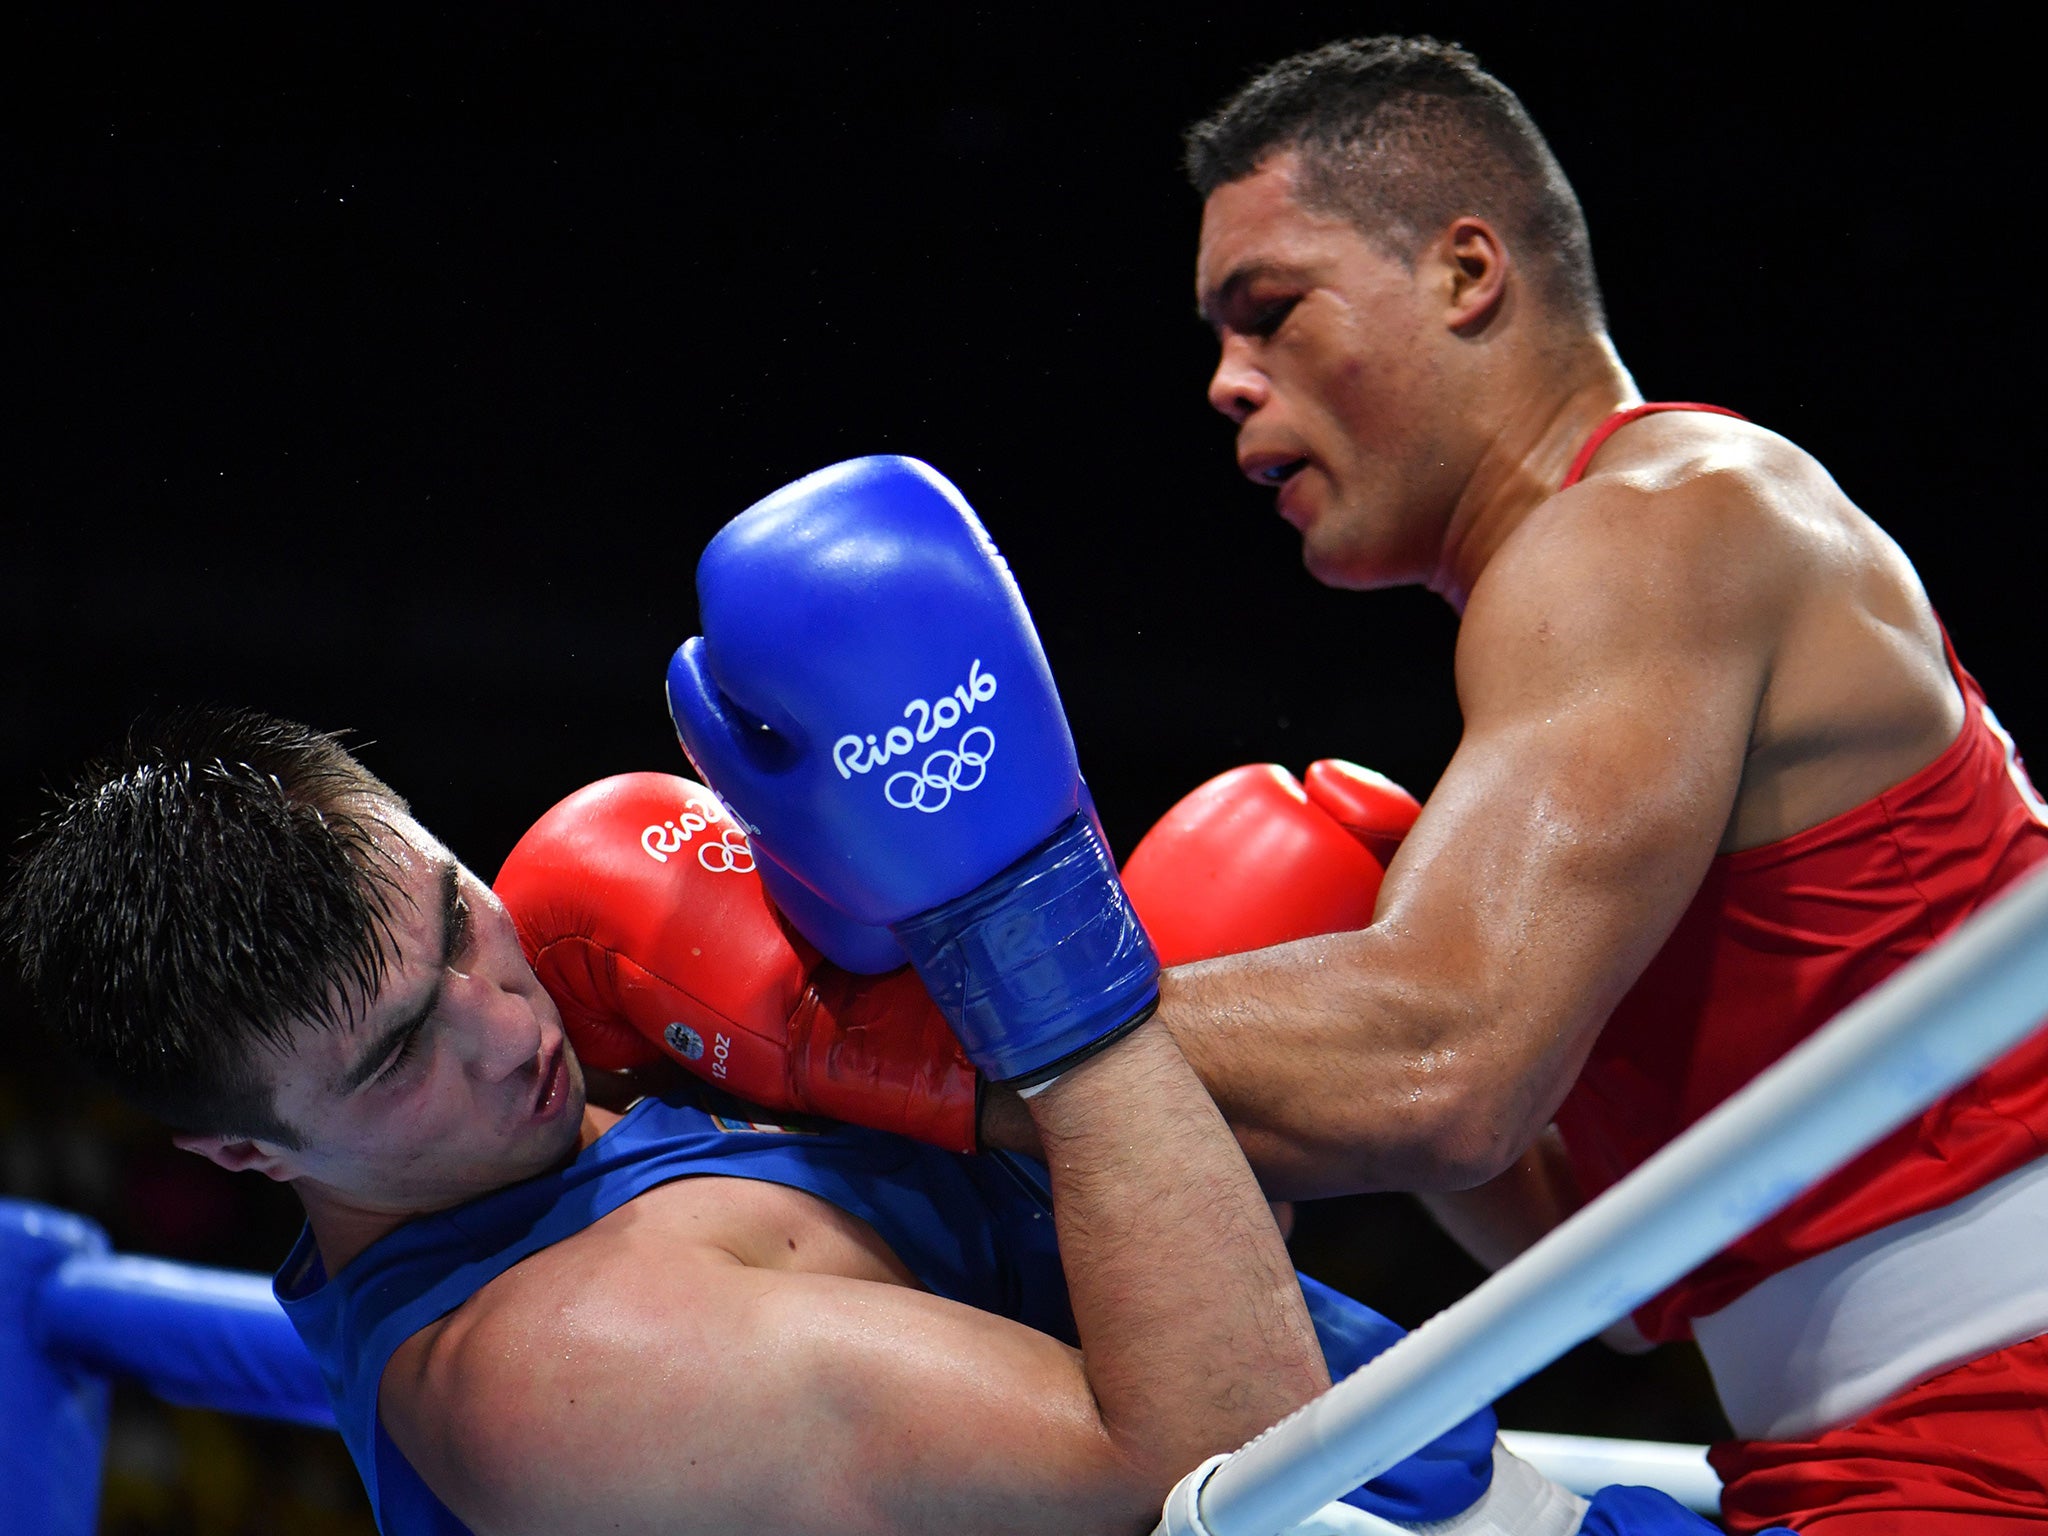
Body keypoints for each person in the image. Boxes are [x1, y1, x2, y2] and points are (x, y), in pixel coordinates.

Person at [648, 35, 2048, 1535]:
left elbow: (1444, 1069)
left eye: (1272, 311)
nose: (1226, 381)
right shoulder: (1607, 633)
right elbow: (1616, 1258)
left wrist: (868, 1031)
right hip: (1886, 1449)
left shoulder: (1654, 524)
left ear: (1465, 273)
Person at [5, 703, 1734, 1536]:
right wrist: (1034, 963)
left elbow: (1127, 1298)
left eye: (458, 917)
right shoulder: (569, 1366)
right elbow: (1221, 1458)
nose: (506, 1022)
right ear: (247, 1156)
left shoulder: (609, 1094)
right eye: (393, 1059)